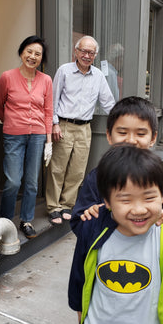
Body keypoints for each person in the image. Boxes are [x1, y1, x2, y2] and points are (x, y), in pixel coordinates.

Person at [68, 144, 163, 324]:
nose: (139, 210)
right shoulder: (92, 227)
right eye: (126, 200)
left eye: (148, 198)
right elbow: (79, 278)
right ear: (106, 200)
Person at [70, 96, 163, 247]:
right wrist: (94, 217)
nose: (130, 140)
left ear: (153, 138)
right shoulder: (96, 178)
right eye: (122, 132)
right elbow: (78, 224)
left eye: (140, 134)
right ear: (109, 136)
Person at [46, 36, 116, 225]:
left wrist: (121, 119)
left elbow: (108, 102)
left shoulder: (99, 76)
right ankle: (53, 207)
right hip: (64, 125)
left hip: (85, 128)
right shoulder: (65, 71)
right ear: (75, 51)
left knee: (77, 170)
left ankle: (67, 204)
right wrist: (54, 123)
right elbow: (52, 99)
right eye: (83, 51)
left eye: (91, 53)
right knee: (57, 169)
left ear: (95, 55)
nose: (87, 55)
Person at [0, 35, 53, 239]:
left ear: (41, 58)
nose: (32, 56)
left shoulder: (46, 80)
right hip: (13, 135)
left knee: (31, 182)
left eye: (37, 54)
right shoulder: (7, 77)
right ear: (21, 52)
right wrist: (13, 122)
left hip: (37, 135)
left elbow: (48, 111)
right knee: (12, 181)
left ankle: (26, 220)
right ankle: (5, 222)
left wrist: (49, 141)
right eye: (29, 51)